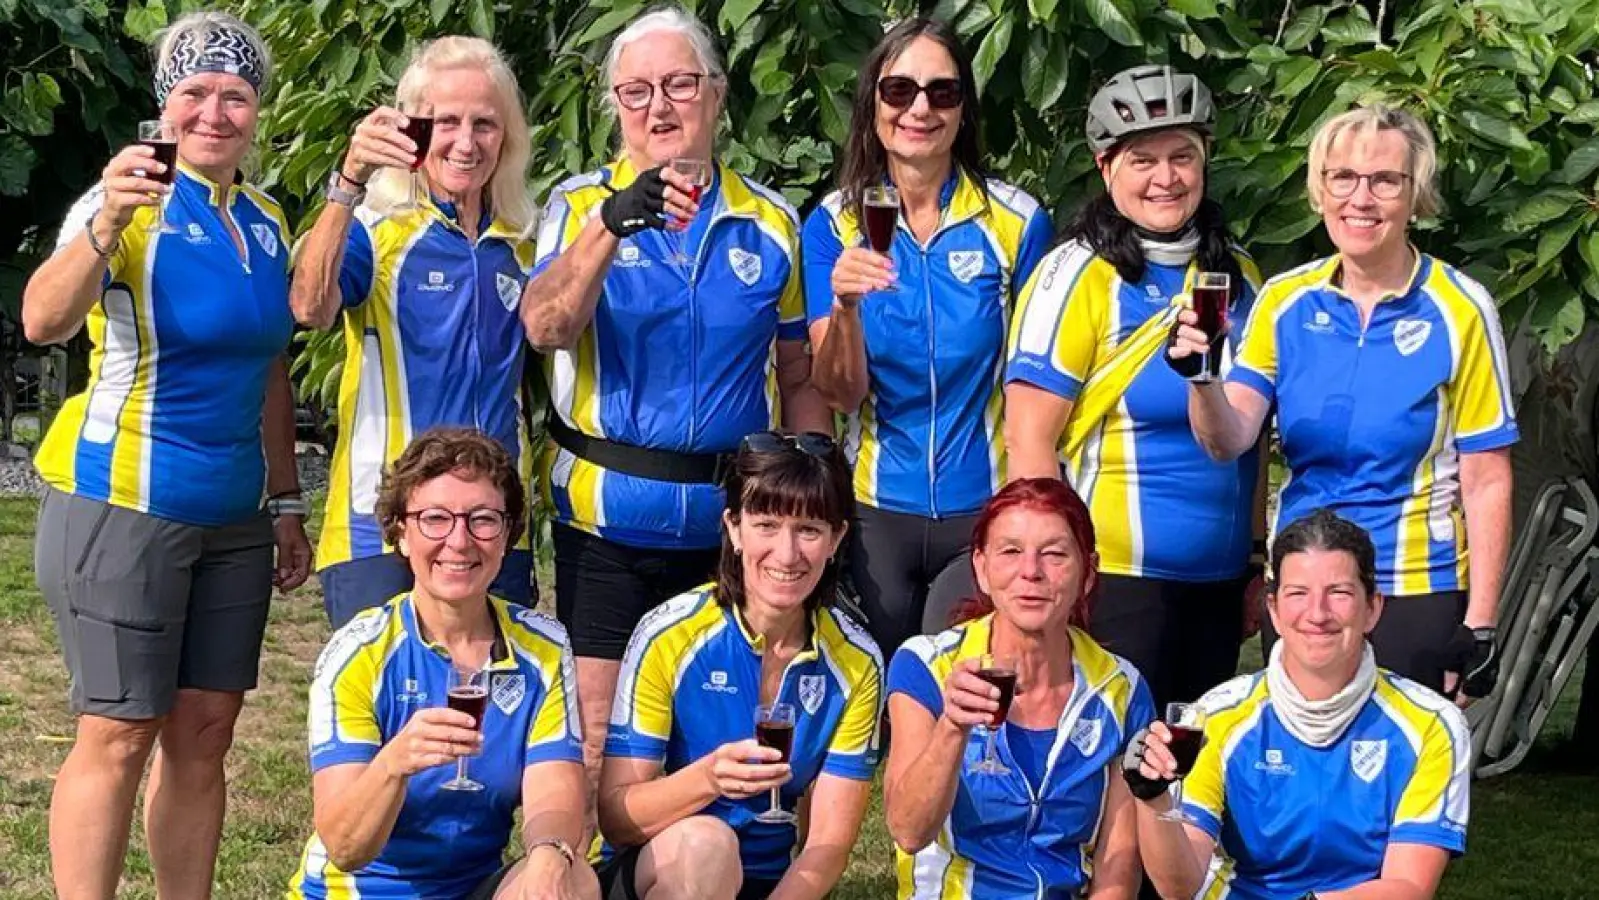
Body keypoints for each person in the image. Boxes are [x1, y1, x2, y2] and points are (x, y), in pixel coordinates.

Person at [19, 12, 309, 899]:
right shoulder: (127, 198)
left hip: (233, 514)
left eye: (235, 96)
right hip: (126, 500)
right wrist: (107, 216)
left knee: (206, 728)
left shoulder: (263, 217)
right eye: (194, 94)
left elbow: (268, 365)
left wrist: (287, 502)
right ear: (164, 106)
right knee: (118, 730)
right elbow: (43, 320)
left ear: (256, 112)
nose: (214, 113)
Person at [522, 6, 832, 806]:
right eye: (634, 92)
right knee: (597, 731)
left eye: (678, 84)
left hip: (727, 524)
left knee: (715, 726)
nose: (658, 108)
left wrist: (817, 475)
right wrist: (609, 227)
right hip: (606, 518)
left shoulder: (769, 220)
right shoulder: (577, 203)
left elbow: (796, 370)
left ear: (717, 94)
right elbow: (545, 325)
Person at [1173, 104, 1515, 698]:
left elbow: (1487, 479)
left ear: (1415, 196)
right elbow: (1228, 438)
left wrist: (1480, 624)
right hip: (1308, 583)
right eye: (1344, 178)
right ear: (1320, 189)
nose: (1362, 198)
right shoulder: (1284, 300)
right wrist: (1200, 377)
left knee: (1410, 780)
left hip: (1412, 583)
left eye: (1385, 180)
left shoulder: (1461, 309)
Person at [1005, 65, 1265, 710]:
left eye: (1183, 157)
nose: (1166, 178)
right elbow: (1028, 443)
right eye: (1142, 160)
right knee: (1119, 773)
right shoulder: (1075, 274)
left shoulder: (1244, 274)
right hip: (1115, 582)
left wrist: (1257, 560)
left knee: (1194, 773)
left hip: (1222, 579)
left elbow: (1251, 437)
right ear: (1105, 168)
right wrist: (1057, 578)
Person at [803, 17, 1052, 657]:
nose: (920, 108)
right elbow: (837, 393)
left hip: (982, 505)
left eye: (942, 93)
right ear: (873, 105)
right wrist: (845, 308)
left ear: (964, 110)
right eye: (899, 91)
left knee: (951, 699)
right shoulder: (832, 222)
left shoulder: (1015, 222)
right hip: (876, 507)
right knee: (879, 705)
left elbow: (1035, 383)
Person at [291, 36, 541, 628]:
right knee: (381, 710)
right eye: (445, 121)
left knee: (487, 707)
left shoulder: (525, 236)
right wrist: (349, 181)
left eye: (484, 123)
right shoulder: (376, 226)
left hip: (491, 519)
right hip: (378, 524)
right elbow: (309, 307)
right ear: (412, 130)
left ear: (506, 136)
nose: (464, 141)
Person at [289, 428, 598, 900]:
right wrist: (393, 765)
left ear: (507, 534)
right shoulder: (358, 651)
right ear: (401, 535)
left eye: (483, 520)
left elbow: (554, 796)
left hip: (471, 888)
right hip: (357, 892)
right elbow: (345, 847)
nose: (459, 540)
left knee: (571, 877)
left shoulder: (544, 647)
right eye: (435, 519)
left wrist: (551, 853)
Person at [1125, 509, 1471, 900]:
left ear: (1373, 607)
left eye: (1338, 593)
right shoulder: (1216, 716)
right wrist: (1153, 800)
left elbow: (1408, 887)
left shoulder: (1432, 724)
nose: (1317, 614)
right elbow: (1180, 886)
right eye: (1298, 593)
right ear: (1272, 610)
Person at [597, 431, 881, 900]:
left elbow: (827, 845)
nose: (787, 554)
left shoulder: (857, 660)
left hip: (769, 885)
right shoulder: (670, 633)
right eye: (766, 525)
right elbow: (617, 817)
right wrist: (707, 779)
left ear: (837, 539)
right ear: (733, 528)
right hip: (668, 867)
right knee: (708, 844)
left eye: (808, 530)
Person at [884, 477, 1149, 898]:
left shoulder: (1122, 691)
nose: (1031, 572)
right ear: (982, 570)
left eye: (1055, 554)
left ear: (1087, 574)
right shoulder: (927, 666)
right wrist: (952, 728)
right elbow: (908, 830)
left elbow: (1117, 868)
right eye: (1010, 552)